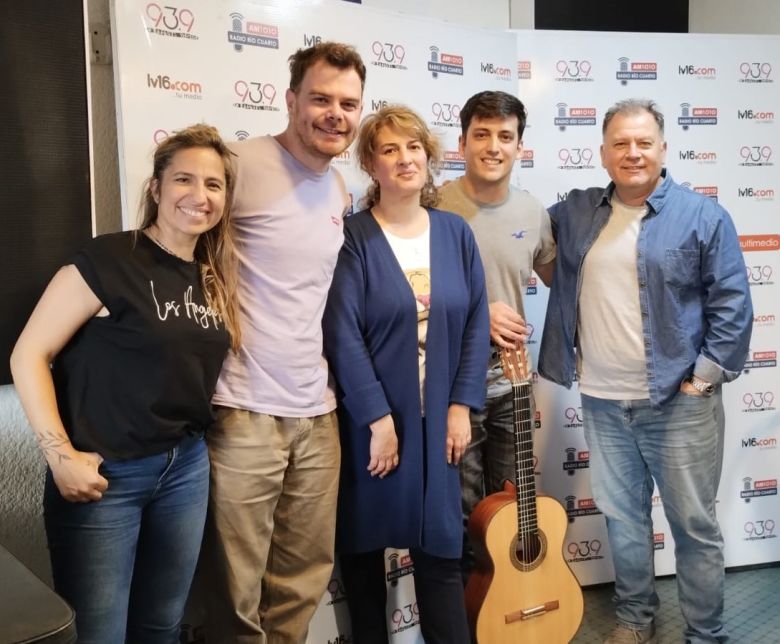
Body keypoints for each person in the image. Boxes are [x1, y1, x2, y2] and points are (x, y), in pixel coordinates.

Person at [9, 124, 241, 644]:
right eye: (184, 179)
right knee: (99, 634)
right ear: (156, 188)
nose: (199, 196)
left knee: (161, 627)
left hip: (185, 471)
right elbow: (29, 353)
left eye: (214, 184)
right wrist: (58, 454)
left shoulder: (210, 274)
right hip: (106, 477)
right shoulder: (107, 259)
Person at [538, 99, 752, 644]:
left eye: (643, 143)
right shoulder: (576, 211)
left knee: (694, 528)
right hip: (604, 401)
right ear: (604, 153)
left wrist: (702, 379)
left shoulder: (703, 216)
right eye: (620, 144)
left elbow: (732, 307)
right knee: (623, 523)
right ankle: (636, 619)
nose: (632, 153)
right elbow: (515, 225)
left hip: (679, 402)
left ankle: (705, 633)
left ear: (662, 148)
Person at [200, 42, 365, 643]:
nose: (334, 114)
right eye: (320, 98)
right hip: (242, 408)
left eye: (348, 103)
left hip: (317, 412)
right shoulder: (237, 165)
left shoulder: (339, 186)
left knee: (302, 577)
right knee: (233, 586)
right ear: (291, 99)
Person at [323, 105, 489, 644]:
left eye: (413, 147)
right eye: (389, 149)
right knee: (365, 553)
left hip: (439, 421)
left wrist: (461, 406)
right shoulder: (353, 238)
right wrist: (377, 419)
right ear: (370, 163)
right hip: (374, 427)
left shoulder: (454, 233)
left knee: (440, 551)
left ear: (429, 155)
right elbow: (342, 332)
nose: (404, 159)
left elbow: (475, 324)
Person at [437, 90, 555, 576]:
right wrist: (478, 312)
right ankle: (470, 612)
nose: (493, 146)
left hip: (512, 378)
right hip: (449, 381)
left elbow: (561, 281)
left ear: (520, 147)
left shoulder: (534, 212)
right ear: (461, 142)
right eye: (481, 134)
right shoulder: (432, 204)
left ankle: (514, 602)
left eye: (505, 136)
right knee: (463, 512)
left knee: (512, 508)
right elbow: (404, 288)